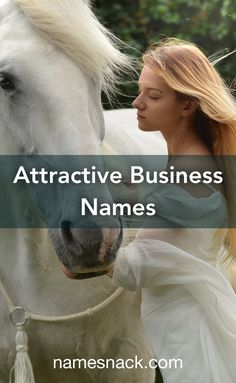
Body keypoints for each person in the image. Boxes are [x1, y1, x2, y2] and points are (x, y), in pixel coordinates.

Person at [109, 38, 236, 383]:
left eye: (153, 96)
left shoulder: (186, 174)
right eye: (140, 92)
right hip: (186, 323)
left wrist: (85, 243)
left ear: (187, 106)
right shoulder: (194, 160)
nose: (137, 104)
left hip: (190, 334)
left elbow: (133, 272)